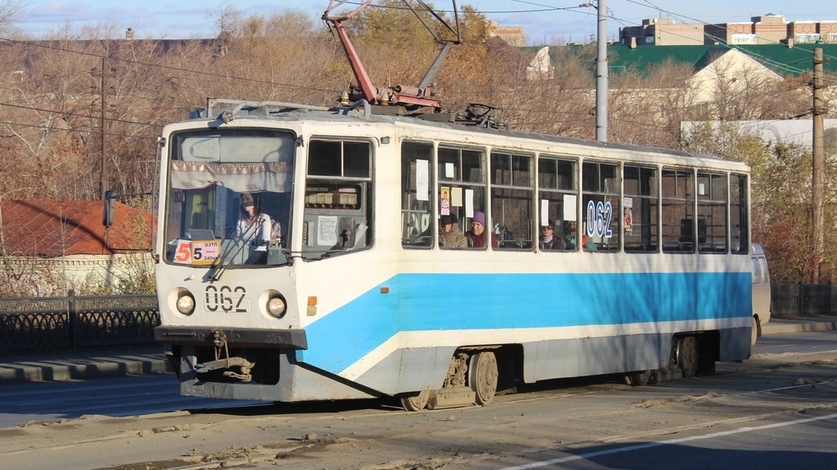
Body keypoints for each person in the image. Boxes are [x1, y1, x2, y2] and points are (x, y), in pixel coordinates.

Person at [235, 193, 271, 263]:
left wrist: (255, 243)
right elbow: (237, 240)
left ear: (255, 201)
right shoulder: (241, 221)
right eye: (243, 200)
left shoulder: (264, 218)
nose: (244, 202)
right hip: (243, 253)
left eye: (248, 199)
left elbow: (265, 239)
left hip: (260, 254)